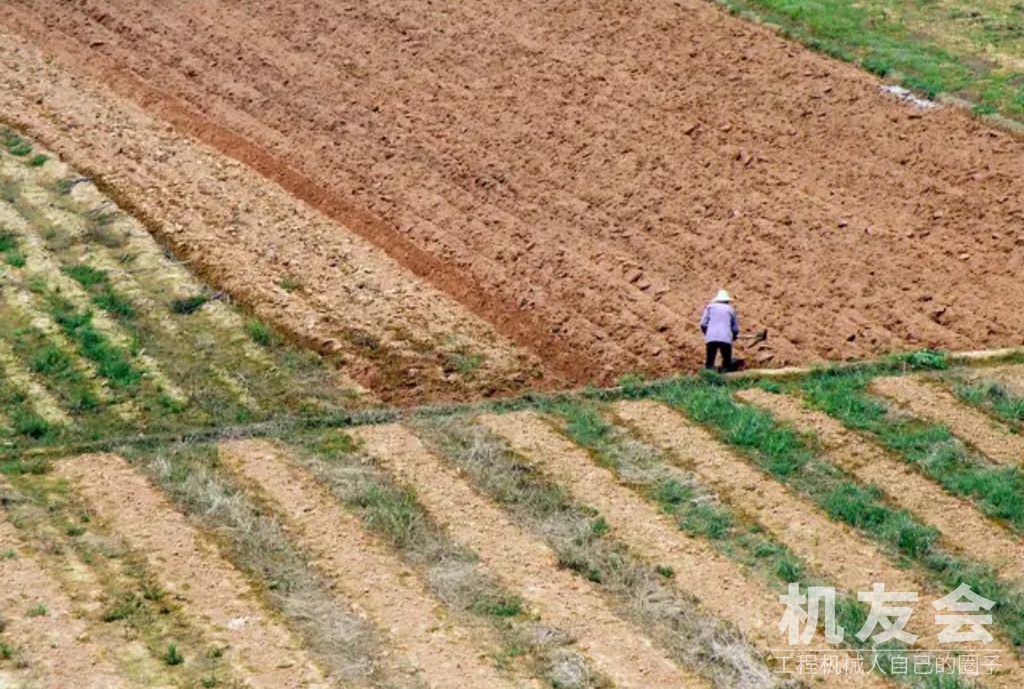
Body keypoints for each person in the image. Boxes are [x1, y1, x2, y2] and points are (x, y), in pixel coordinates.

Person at [700, 289, 739, 371]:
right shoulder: (730, 309)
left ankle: (709, 375)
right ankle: (725, 375)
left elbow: (703, 323)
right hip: (725, 338)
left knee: (710, 360)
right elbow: (735, 328)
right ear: (727, 301)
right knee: (726, 361)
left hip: (711, 337)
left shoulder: (710, 307)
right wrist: (734, 336)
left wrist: (707, 332)